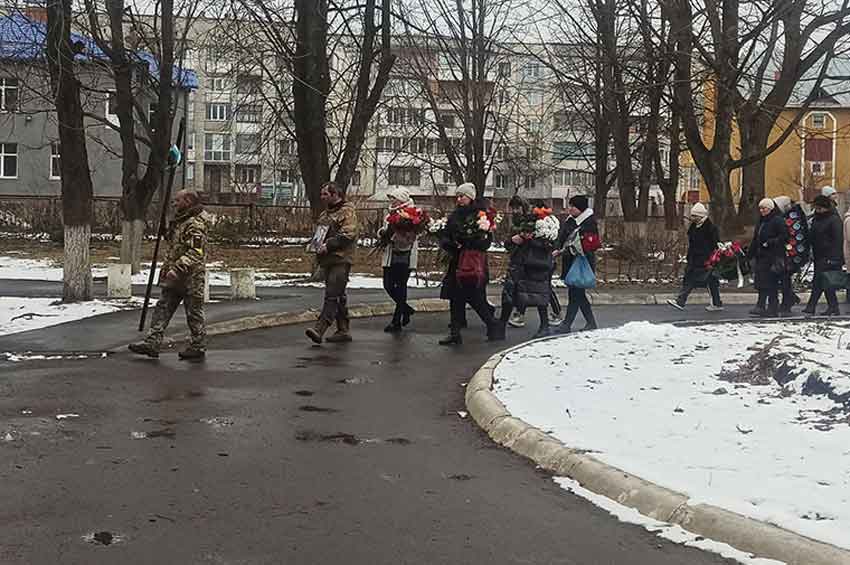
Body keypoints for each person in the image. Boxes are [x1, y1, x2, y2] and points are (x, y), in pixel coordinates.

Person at [129, 189, 209, 359]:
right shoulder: (181, 221)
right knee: (163, 307)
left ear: (188, 201)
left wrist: (177, 268)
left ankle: (198, 346)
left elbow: (196, 251)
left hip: (190, 277)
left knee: (193, 313)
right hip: (174, 276)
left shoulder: (196, 223)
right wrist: (166, 233)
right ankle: (152, 342)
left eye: (177, 200)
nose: (174, 203)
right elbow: (177, 244)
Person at [438, 182, 500, 346]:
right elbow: (446, 235)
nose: (458, 199)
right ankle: (455, 333)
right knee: (455, 297)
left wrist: (466, 241)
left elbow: (485, 243)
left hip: (472, 263)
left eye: (462, 196)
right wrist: (449, 243)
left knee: (474, 298)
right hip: (456, 261)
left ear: (470, 197)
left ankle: (492, 324)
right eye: (457, 196)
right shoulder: (455, 215)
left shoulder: (481, 216)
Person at [305, 181, 359, 344]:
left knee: (332, 295)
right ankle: (343, 330)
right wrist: (314, 245)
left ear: (335, 195)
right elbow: (320, 234)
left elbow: (348, 235)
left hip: (341, 258)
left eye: (325, 194)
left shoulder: (347, 212)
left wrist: (328, 245)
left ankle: (320, 328)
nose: (322, 197)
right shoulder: (325, 214)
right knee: (339, 295)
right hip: (328, 259)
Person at [496, 196, 555, 339]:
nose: (515, 211)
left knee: (538, 296)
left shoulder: (539, 222)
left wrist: (528, 240)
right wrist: (513, 240)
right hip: (517, 264)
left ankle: (544, 325)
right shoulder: (515, 223)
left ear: (524, 207)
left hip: (533, 265)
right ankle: (500, 327)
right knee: (509, 296)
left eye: (518, 207)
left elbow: (547, 245)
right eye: (513, 208)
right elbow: (508, 244)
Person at [553, 195, 599, 333]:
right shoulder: (571, 220)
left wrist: (562, 251)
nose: (570, 209)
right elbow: (562, 236)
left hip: (581, 262)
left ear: (581, 208)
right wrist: (557, 248)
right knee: (577, 293)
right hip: (571, 261)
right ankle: (591, 323)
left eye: (573, 206)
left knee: (575, 293)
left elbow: (586, 245)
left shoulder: (589, 222)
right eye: (570, 205)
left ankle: (566, 324)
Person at [666, 202, 723, 312]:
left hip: (705, 259)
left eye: (694, 216)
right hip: (694, 258)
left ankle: (680, 301)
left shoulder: (710, 228)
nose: (692, 218)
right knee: (711, 281)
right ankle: (717, 303)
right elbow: (692, 243)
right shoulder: (694, 227)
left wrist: (713, 259)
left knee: (692, 279)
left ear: (701, 216)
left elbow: (716, 244)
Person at [378, 187, 418, 333]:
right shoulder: (390, 212)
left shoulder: (412, 213)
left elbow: (412, 236)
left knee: (401, 286)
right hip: (390, 253)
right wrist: (383, 234)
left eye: (394, 198)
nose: (391, 201)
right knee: (388, 285)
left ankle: (396, 322)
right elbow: (383, 229)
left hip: (404, 255)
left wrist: (398, 236)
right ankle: (406, 309)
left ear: (401, 199)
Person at [803, 194, 844, 316]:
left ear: (825, 207)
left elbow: (838, 240)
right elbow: (813, 235)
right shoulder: (817, 219)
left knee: (821, 282)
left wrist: (835, 258)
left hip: (829, 257)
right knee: (824, 283)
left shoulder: (834, 220)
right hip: (819, 255)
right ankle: (832, 307)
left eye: (819, 208)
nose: (817, 210)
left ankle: (812, 307)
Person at [747, 198, 787, 317]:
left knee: (771, 284)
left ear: (770, 209)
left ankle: (772, 308)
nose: (762, 210)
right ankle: (760, 305)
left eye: (764, 208)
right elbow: (756, 238)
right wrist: (750, 253)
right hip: (762, 256)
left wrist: (770, 242)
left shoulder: (777, 221)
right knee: (761, 283)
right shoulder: (761, 221)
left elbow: (784, 236)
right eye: (760, 208)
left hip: (773, 257)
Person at [774, 196, 809, 315]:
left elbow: (793, 236)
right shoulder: (793, 215)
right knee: (784, 278)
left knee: (784, 277)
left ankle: (787, 301)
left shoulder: (792, 218)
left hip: (792, 254)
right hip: (791, 253)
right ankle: (789, 298)